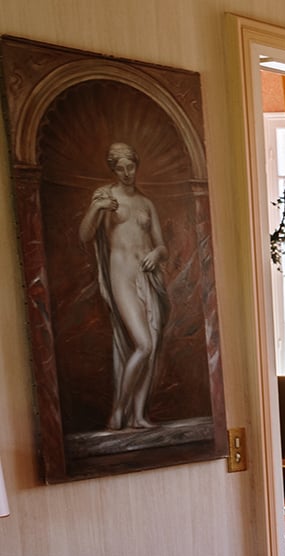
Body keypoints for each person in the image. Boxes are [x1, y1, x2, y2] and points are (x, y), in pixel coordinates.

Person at [78, 142, 169, 430]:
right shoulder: (106, 198)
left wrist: (157, 254)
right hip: (122, 276)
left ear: (136, 165)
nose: (127, 172)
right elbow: (85, 235)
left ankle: (138, 415)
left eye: (131, 166)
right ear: (114, 169)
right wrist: (96, 208)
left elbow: (162, 245)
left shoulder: (146, 203)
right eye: (121, 168)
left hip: (148, 277)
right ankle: (118, 411)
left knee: (151, 349)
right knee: (143, 344)